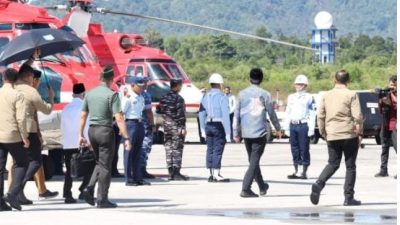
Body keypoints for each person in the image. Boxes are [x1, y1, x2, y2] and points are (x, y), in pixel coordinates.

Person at [79, 66, 131, 208]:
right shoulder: (112, 95)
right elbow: (119, 117)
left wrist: (80, 134)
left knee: (99, 163)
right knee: (106, 167)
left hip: (92, 131)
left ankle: (88, 188)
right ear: (111, 79)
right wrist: (126, 137)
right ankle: (102, 199)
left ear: (100, 78)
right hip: (105, 132)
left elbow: (83, 115)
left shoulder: (90, 94)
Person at [310, 69, 363, 206]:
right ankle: (348, 197)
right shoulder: (351, 94)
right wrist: (360, 132)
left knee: (333, 163)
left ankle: (319, 183)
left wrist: (323, 132)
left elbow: (320, 116)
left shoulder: (326, 95)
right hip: (348, 134)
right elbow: (358, 116)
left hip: (332, 134)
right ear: (348, 81)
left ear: (335, 80)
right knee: (350, 166)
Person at [7, 69, 59, 204]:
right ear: (30, 77)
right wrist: (51, 97)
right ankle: (15, 191)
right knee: (35, 161)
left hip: (14, 129)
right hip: (29, 130)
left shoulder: (14, 87)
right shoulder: (31, 91)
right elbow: (46, 110)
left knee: (20, 162)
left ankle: (18, 193)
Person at [233, 68, 282, 198]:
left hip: (246, 133)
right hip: (259, 133)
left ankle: (261, 186)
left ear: (249, 78)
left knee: (253, 161)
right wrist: (277, 128)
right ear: (261, 79)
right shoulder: (265, 94)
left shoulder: (241, 94)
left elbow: (236, 115)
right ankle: (245, 188)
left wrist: (235, 132)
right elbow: (271, 113)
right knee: (254, 162)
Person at [0, 68, 29, 211]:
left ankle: (0, 203)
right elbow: (21, 118)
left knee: (0, 169)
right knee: (23, 163)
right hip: (12, 135)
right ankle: (12, 193)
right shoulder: (18, 95)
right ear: (16, 79)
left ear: (3, 78)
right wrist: (25, 137)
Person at [61, 83, 93, 204]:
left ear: (73, 94)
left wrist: (65, 140)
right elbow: (87, 126)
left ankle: (68, 194)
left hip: (68, 143)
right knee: (90, 168)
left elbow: (62, 127)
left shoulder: (66, 108)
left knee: (69, 170)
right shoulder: (85, 108)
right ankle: (83, 190)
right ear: (84, 94)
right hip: (82, 143)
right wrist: (89, 142)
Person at [199, 73, 231, 182]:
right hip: (218, 125)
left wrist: (202, 129)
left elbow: (201, 114)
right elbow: (226, 115)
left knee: (210, 149)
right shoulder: (222, 97)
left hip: (208, 124)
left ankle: (211, 174)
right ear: (220, 84)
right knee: (218, 148)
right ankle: (217, 174)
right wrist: (228, 133)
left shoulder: (205, 97)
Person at [285, 75, 316, 179]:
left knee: (304, 149)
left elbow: (312, 113)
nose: (298, 86)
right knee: (294, 149)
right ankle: (296, 170)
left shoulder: (309, 97)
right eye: (297, 84)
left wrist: (311, 129)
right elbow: (288, 112)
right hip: (293, 125)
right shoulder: (291, 97)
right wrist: (286, 127)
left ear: (305, 85)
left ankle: (304, 171)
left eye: (300, 84)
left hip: (303, 125)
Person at [122, 76, 149, 186]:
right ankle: (129, 179)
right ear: (132, 85)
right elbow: (121, 113)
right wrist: (122, 130)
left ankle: (138, 177)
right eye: (139, 86)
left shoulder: (141, 97)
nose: (142, 88)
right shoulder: (128, 97)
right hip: (130, 124)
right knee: (129, 152)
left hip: (139, 123)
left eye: (143, 86)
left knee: (138, 152)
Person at [159, 79, 188, 181]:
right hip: (176, 126)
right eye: (180, 85)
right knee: (177, 148)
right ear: (177, 86)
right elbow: (180, 115)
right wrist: (182, 127)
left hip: (166, 126)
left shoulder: (164, 97)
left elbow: (161, 111)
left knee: (168, 148)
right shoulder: (178, 98)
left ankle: (170, 171)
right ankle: (176, 172)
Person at [375, 75, 397, 178]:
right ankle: (383, 170)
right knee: (384, 148)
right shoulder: (386, 94)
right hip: (385, 124)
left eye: (395, 85)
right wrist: (380, 99)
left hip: (395, 125)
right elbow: (381, 110)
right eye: (391, 85)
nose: (392, 87)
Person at [139, 77, 156, 179]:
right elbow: (149, 112)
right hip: (145, 125)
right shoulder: (146, 95)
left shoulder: (132, 94)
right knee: (145, 148)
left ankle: (138, 169)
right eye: (145, 82)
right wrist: (153, 124)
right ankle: (142, 169)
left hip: (135, 125)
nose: (146, 84)